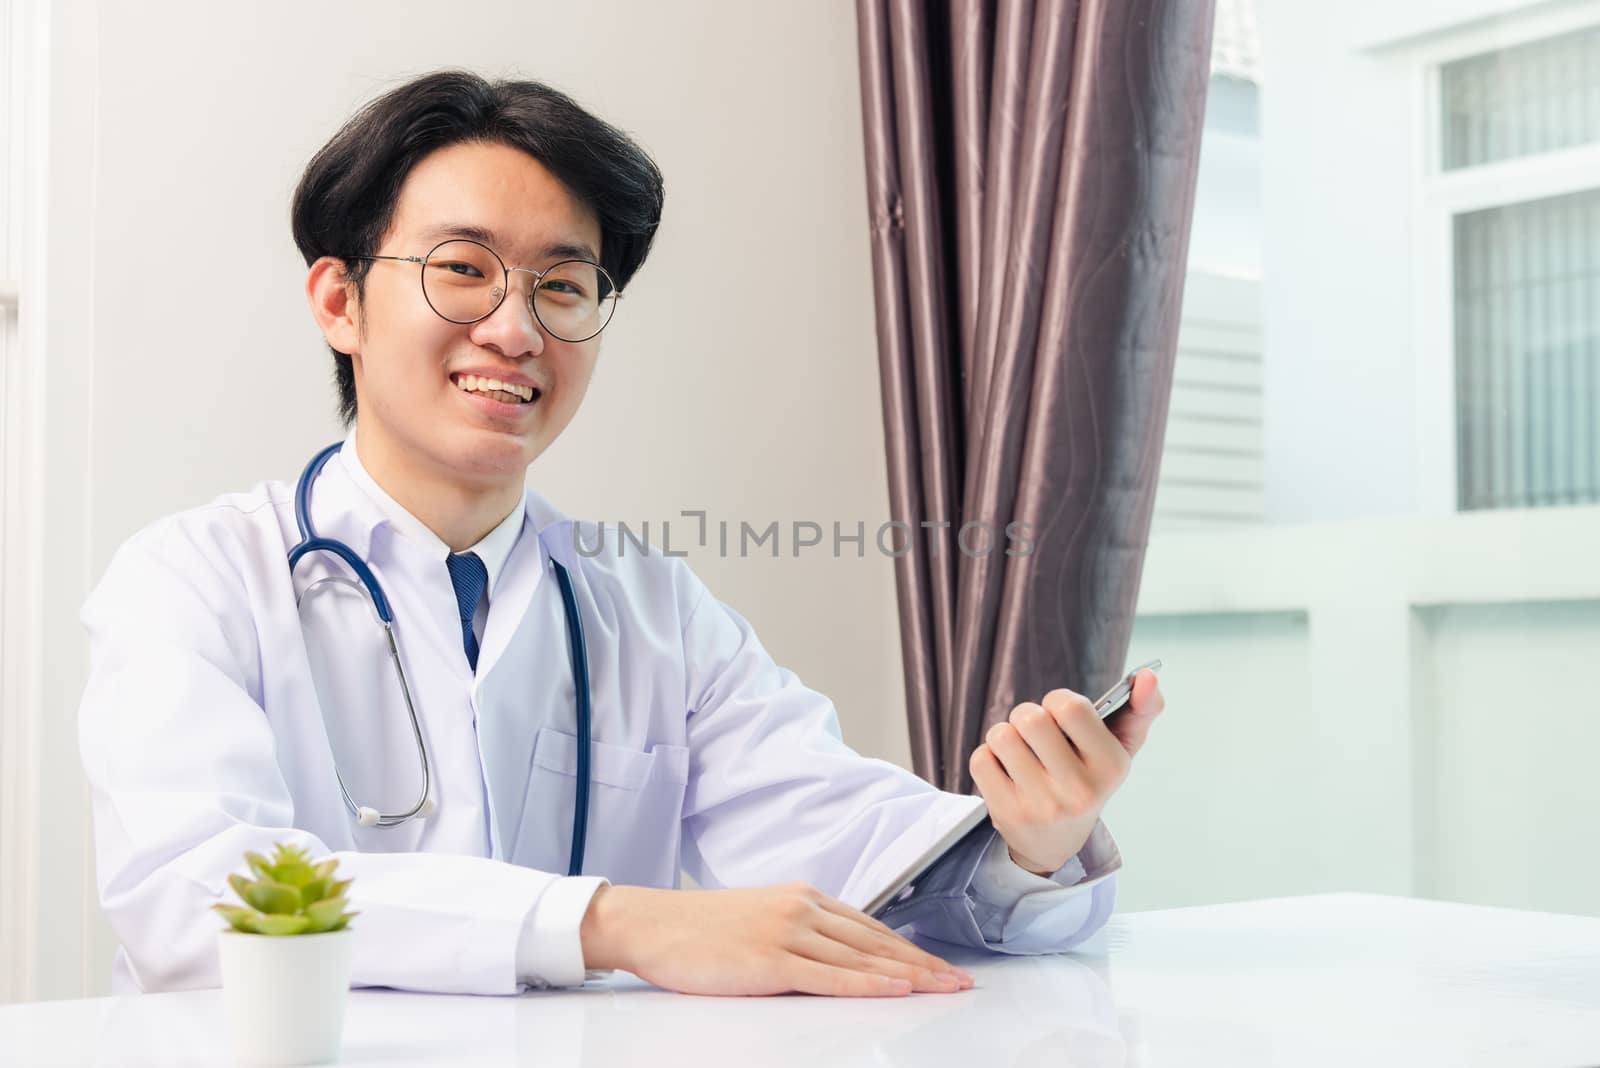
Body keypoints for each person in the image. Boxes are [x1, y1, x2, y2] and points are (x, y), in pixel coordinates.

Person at [77, 70, 1166, 999]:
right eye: (463, 269)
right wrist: (605, 922)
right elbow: (195, 897)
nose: (515, 328)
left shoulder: (647, 609)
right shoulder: (194, 580)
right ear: (338, 302)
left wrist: (1029, 840)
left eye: (563, 284)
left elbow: (859, 861)